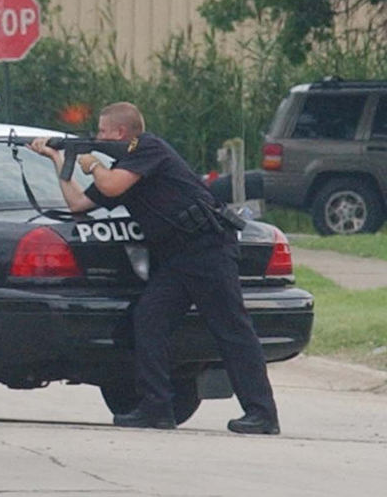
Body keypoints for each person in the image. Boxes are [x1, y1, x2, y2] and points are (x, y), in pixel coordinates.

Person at [26, 102, 279, 435]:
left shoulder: (147, 147)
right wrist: (60, 161)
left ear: (120, 132)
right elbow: (78, 206)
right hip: (176, 257)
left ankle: (262, 413)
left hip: (207, 249)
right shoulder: (123, 165)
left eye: (102, 131)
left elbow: (112, 185)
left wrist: (93, 166)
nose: (99, 136)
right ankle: (156, 407)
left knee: (231, 329)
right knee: (149, 319)